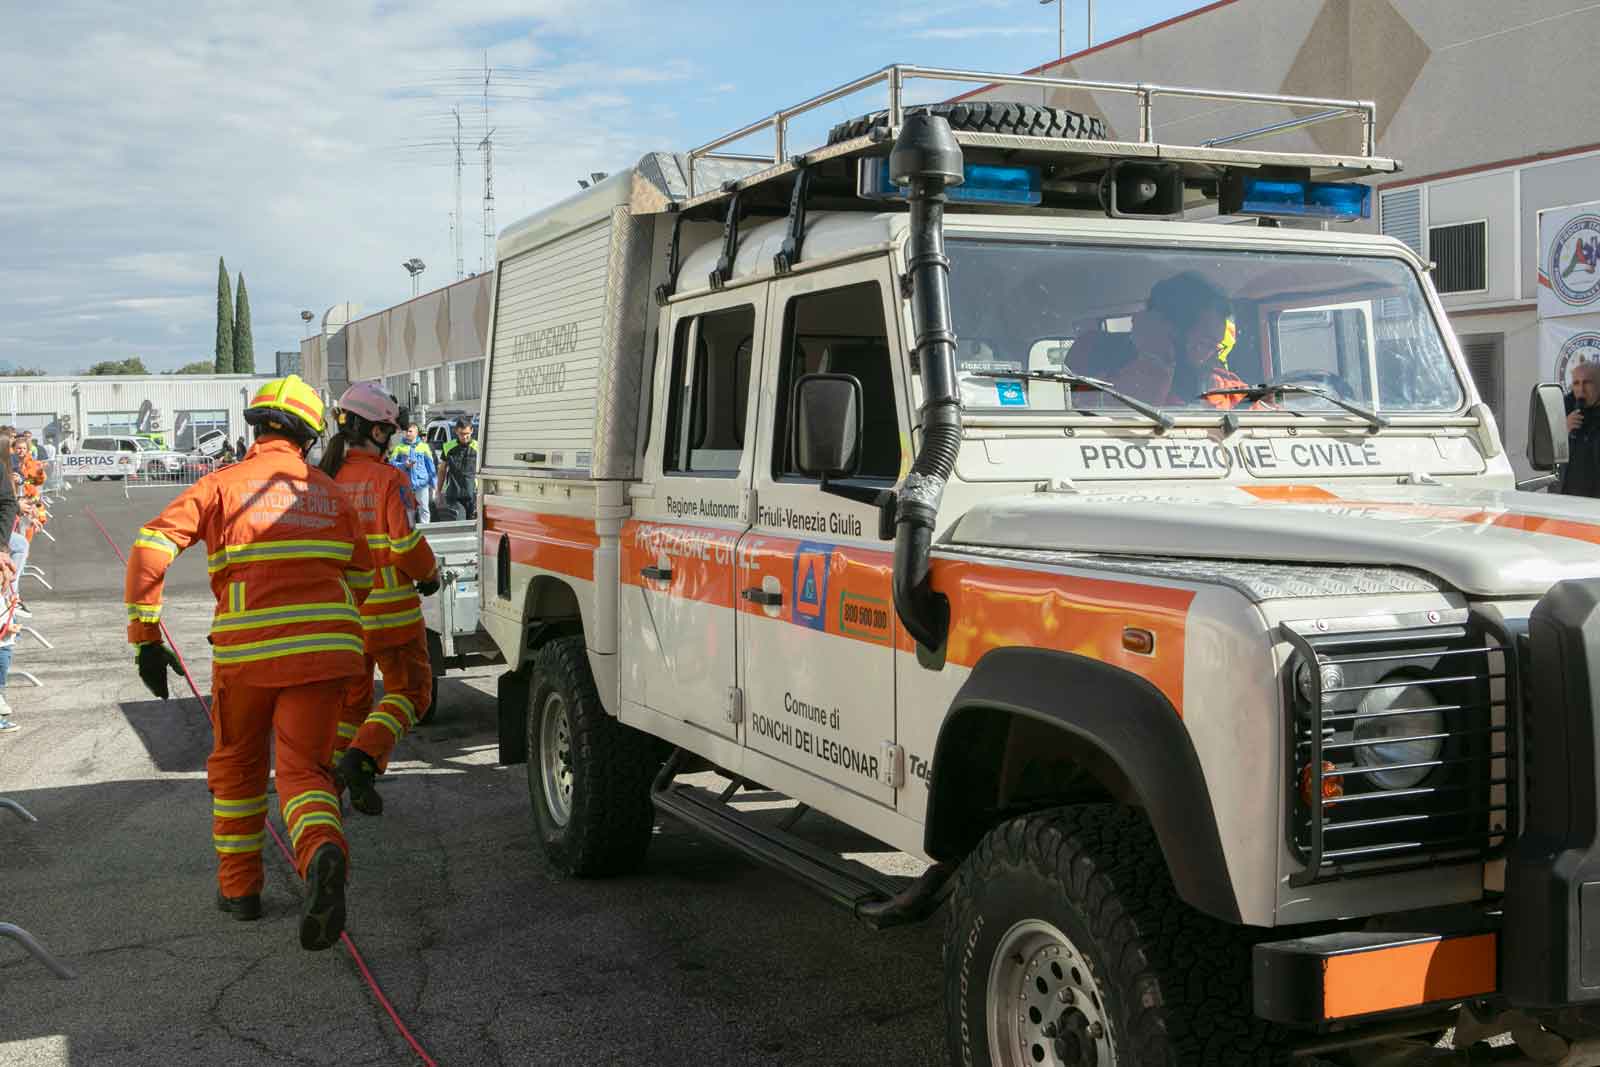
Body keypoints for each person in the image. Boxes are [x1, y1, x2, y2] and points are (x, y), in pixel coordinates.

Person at [124, 374, 376, 951]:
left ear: (257, 428)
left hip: (247, 657)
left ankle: (241, 891)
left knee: (238, 769)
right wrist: (323, 622)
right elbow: (362, 576)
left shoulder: (220, 485)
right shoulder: (330, 494)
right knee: (304, 772)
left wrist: (145, 635)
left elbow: (151, 547)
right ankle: (321, 850)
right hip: (324, 657)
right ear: (309, 437)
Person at [319, 383, 440, 815]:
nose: (390, 439)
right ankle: (362, 758)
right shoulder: (390, 479)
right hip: (392, 615)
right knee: (411, 693)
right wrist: (430, 574)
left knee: (351, 706)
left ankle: (326, 796)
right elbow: (404, 544)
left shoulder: (324, 481)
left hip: (343, 618)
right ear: (374, 431)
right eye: (388, 431)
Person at [1112, 272, 1254, 410]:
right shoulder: (1116, 389)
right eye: (1204, 344)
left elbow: (1256, 406)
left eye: (1216, 346)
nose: (1213, 356)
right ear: (1170, 332)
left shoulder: (1222, 387)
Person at [1561, 360, 1600, 497]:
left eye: (1587, 383)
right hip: (1565, 498)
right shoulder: (1561, 407)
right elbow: (1536, 452)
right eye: (1576, 383)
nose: (1581, 390)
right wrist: (1562, 431)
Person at [388, 421, 436, 525]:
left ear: (416, 432)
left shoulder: (424, 447)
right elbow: (391, 464)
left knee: (424, 508)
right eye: (406, 431)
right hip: (406, 484)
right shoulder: (399, 447)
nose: (407, 433)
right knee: (409, 509)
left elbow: (431, 467)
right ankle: (410, 529)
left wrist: (434, 485)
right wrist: (404, 465)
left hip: (421, 483)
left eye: (410, 431)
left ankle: (425, 530)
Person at [435, 417, 479, 521]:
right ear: (456, 432)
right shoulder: (448, 447)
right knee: (459, 520)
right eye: (461, 434)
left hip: (472, 493)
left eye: (467, 433)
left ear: (472, 431)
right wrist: (438, 491)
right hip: (453, 494)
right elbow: (442, 470)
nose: (464, 437)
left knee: (471, 524)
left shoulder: (478, 447)